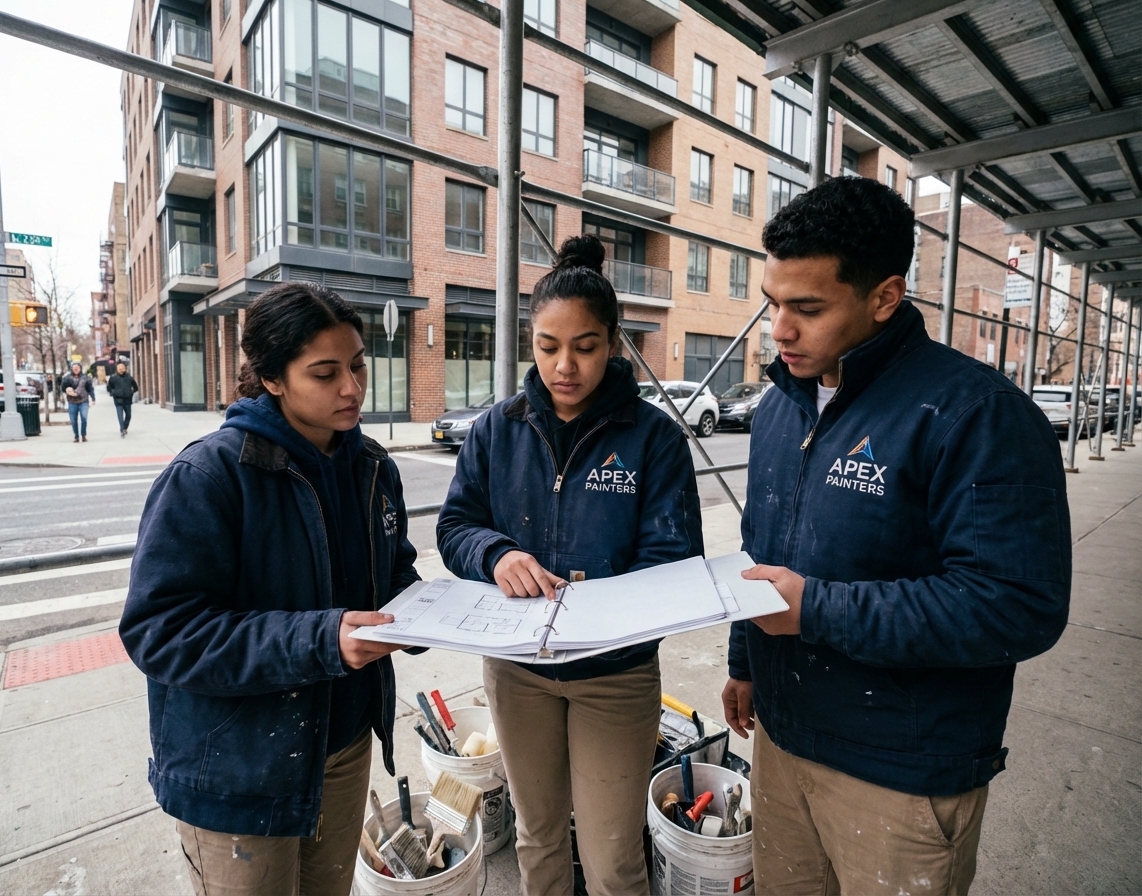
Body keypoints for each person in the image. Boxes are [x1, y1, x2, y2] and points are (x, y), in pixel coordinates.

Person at [720, 177, 1071, 895]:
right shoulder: (780, 408)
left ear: (884, 296)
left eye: (807, 308)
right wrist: (743, 659)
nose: (779, 329)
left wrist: (815, 610)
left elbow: (1016, 605)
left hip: (900, 772)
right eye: (773, 302)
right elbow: (762, 550)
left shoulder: (977, 416)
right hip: (783, 742)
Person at [119, 282, 419, 896]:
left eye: (358, 365)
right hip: (240, 769)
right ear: (274, 379)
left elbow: (393, 576)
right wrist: (321, 640)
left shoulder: (373, 468)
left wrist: (438, 613)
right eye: (325, 372)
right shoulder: (209, 476)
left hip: (343, 748)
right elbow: (161, 631)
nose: (352, 388)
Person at [437, 235, 703, 896]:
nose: (565, 366)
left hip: (614, 677)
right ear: (530, 342)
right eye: (548, 347)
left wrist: (599, 601)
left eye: (584, 347)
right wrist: (496, 555)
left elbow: (675, 559)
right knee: (538, 834)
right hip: (518, 672)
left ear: (613, 343)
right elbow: (456, 527)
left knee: (613, 856)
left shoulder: (653, 439)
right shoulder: (498, 430)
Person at [60, 362, 95, 443]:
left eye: (77, 367)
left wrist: (93, 398)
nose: (76, 369)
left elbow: (90, 388)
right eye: (74, 367)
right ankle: (76, 436)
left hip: (83, 401)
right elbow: (62, 388)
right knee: (73, 420)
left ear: (80, 369)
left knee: (84, 418)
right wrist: (67, 390)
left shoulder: (85, 378)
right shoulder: (67, 378)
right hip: (72, 401)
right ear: (72, 368)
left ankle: (83, 435)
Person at [106, 361, 139, 437]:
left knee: (128, 415)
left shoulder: (129, 377)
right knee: (120, 415)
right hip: (118, 399)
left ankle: (125, 427)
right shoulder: (113, 378)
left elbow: (135, 387)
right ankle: (122, 429)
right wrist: (113, 393)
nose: (121, 369)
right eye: (119, 367)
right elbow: (109, 388)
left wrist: (131, 392)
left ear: (125, 368)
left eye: (122, 367)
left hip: (127, 399)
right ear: (117, 369)